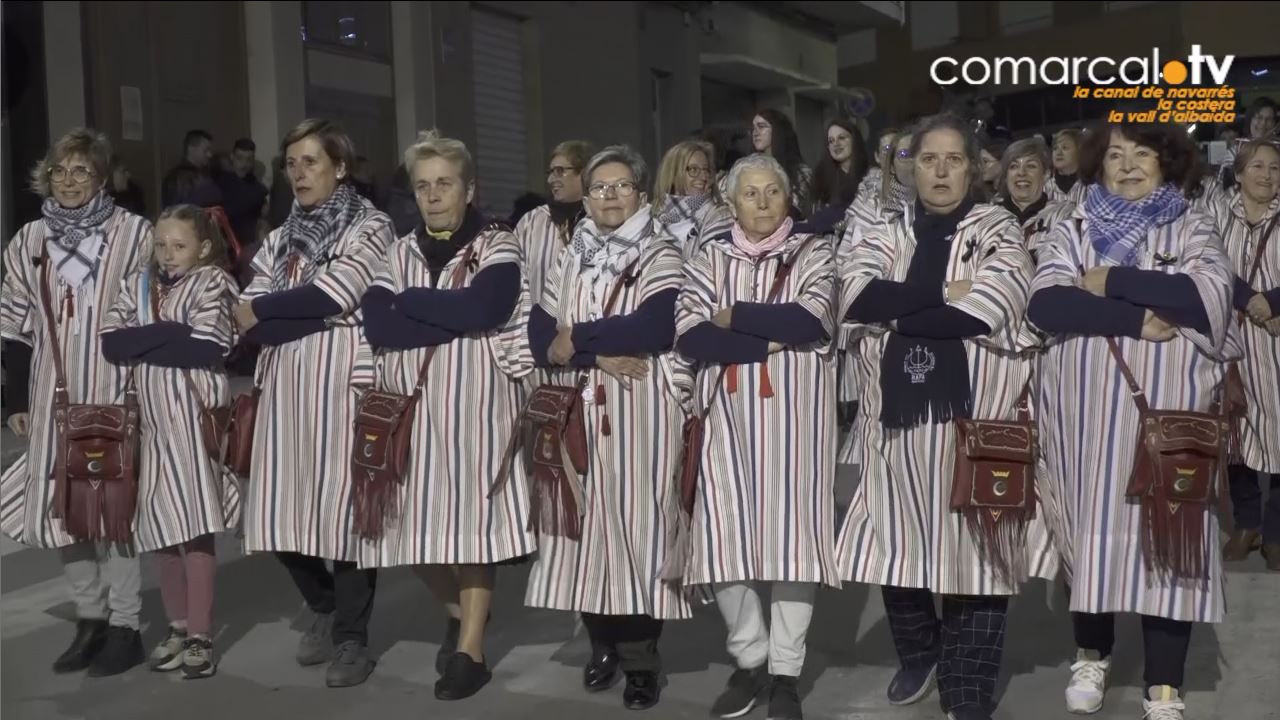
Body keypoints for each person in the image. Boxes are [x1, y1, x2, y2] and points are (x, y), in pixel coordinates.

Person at [834, 114, 1054, 720]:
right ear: (909, 166)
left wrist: (903, 309)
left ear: (974, 168)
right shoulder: (883, 227)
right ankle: (920, 654)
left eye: (953, 159)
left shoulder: (998, 229)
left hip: (973, 429)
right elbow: (856, 295)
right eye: (927, 158)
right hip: (895, 431)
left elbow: (984, 312)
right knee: (897, 550)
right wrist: (944, 292)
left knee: (978, 561)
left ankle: (967, 686)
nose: (938, 170)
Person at [1027, 120, 1237, 720]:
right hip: (1085, 421)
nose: (1127, 165)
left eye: (1142, 153)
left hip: (1168, 418)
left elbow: (1205, 298)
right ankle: (1091, 650)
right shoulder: (1073, 225)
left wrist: (1109, 281)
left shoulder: (1191, 224)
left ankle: (1164, 683)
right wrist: (1136, 317)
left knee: (1169, 542)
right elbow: (1046, 301)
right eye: (1115, 154)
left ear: (1166, 162)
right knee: (1089, 540)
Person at [358, 131, 534, 701]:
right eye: (424, 186)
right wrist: (444, 314)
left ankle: (471, 652)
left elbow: (486, 306)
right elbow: (377, 324)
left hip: (478, 403)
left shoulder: (496, 244)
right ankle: (463, 613)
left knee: (473, 531)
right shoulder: (399, 249)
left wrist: (408, 301)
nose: (433, 195)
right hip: (410, 406)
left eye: (445, 184)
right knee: (409, 533)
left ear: (469, 188)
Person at [525, 145, 689, 711]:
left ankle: (642, 662)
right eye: (599, 188)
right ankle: (602, 648)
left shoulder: (661, 249)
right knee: (583, 528)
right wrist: (595, 355)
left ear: (642, 195)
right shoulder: (571, 253)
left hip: (639, 406)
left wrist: (579, 339)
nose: (609, 197)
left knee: (635, 531)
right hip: (578, 404)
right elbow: (539, 333)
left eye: (621, 187)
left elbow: (654, 325)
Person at [675, 153, 838, 720]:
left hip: (797, 426)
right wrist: (766, 337)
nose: (763, 203)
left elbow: (812, 319)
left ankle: (786, 674)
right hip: (726, 424)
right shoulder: (708, 255)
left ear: (788, 196)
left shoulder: (813, 251)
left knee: (794, 551)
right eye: (751, 194)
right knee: (723, 547)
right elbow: (691, 336)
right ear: (732, 201)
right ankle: (751, 660)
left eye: (773, 192)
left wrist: (733, 316)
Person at [235, 119, 393, 688]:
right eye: (291, 164)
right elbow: (245, 309)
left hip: (341, 389)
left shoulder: (370, 226)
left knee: (344, 516)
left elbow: (339, 291)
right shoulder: (280, 236)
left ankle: (353, 638)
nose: (298, 173)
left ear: (340, 167)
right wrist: (295, 313)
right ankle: (323, 606)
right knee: (277, 516)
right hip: (284, 390)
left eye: (311, 162)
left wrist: (279, 311)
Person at [1, 128, 153, 676]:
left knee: (113, 509)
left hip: (116, 388)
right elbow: (13, 323)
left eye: (81, 171)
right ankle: (90, 618)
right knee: (65, 508)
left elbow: (149, 308)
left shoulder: (134, 233)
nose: (68, 181)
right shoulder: (28, 241)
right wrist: (16, 395)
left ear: (102, 177)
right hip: (51, 392)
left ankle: (126, 624)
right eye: (60, 171)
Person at [99, 204, 241, 679]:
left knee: (195, 526)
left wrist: (146, 337)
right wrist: (168, 332)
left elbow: (205, 347)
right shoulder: (138, 285)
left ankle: (201, 633)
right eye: (161, 244)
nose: (167, 254)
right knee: (158, 529)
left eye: (179, 246)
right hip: (148, 426)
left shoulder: (213, 283)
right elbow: (111, 344)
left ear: (202, 248)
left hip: (192, 424)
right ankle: (176, 626)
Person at [1217, 139, 1280, 569]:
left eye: (1275, 168)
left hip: (1276, 345)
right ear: (1238, 173)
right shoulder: (1215, 215)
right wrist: (1253, 301)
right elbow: (1205, 265)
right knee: (1233, 437)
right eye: (1257, 166)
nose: (1267, 175)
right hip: (1229, 344)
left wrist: (1274, 302)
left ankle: (1275, 531)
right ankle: (1247, 521)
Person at [517, 140, 594, 308]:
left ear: (585, 173)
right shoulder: (531, 222)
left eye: (560, 171)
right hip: (539, 329)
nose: (551, 179)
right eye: (550, 172)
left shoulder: (601, 219)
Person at [995, 137, 1075, 258]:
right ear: (1006, 177)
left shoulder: (1064, 215)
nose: (1021, 172)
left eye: (1031, 166)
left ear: (1046, 175)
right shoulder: (989, 217)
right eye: (1014, 166)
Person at [651, 139, 725, 259]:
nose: (703, 176)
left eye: (706, 170)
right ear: (673, 174)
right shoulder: (652, 220)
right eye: (693, 170)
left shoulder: (718, 216)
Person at [215, 138, 269, 274]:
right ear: (232, 157)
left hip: (252, 246)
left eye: (249, 159)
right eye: (240, 158)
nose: (244, 164)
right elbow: (231, 209)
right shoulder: (222, 182)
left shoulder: (255, 184)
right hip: (227, 247)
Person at [748, 109, 813, 218]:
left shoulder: (800, 172)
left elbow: (795, 210)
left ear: (777, 130)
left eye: (761, 126)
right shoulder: (747, 168)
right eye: (753, 128)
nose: (755, 132)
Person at [812, 119, 870, 213]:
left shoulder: (870, 175)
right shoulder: (821, 176)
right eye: (831, 141)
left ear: (854, 140)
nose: (836, 144)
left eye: (842, 138)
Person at [1220, 98, 1278, 191]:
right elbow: (1225, 186)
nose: (1263, 123)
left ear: (1274, 124)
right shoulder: (1235, 152)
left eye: (1269, 119)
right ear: (1250, 119)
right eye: (1259, 117)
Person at [161, 129, 223, 208]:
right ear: (191, 148)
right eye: (206, 150)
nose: (209, 155)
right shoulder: (181, 178)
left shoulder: (173, 176)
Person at [1048, 129, 1087, 205]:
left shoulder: (1092, 186)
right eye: (1055, 148)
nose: (1058, 153)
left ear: (1079, 151)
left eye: (1065, 148)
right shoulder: (1043, 189)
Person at [975, 137, 1006, 201]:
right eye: (979, 161)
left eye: (986, 161)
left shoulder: (1013, 192)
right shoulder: (981, 192)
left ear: (1002, 163)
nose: (980, 166)